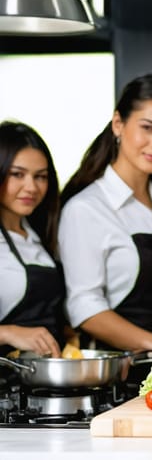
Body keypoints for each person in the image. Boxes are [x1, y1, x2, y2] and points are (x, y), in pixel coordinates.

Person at [59, 75, 152, 361]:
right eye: (148, 128)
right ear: (118, 124)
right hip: (117, 375)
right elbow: (85, 306)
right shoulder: (86, 209)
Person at [0, 122, 66, 359]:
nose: (31, 187)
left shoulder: (40, 235)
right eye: (17, 174)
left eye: (40, 177)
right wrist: (8, 332)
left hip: (41, 380)